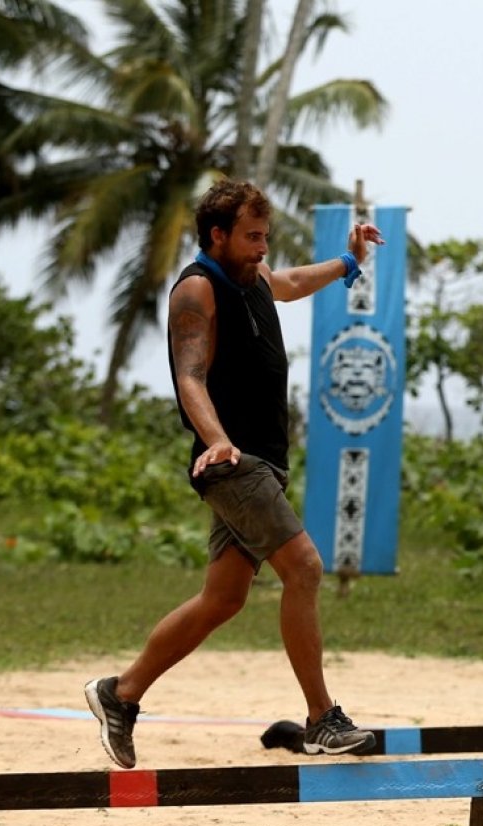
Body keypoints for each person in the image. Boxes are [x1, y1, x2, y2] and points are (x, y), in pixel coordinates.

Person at [85, 178, 385, 769]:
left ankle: (119, 695)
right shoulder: (198, 290)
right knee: (304, 567)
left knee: (222, 598)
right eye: (250, 237)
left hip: (262, 464)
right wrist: (219, 441)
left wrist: (349, 261)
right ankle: (322, 718)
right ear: (216, 235)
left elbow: (293, 282)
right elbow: (189, 376)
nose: (261, 248)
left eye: (265, 237)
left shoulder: (256, 279)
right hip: (231, 462)